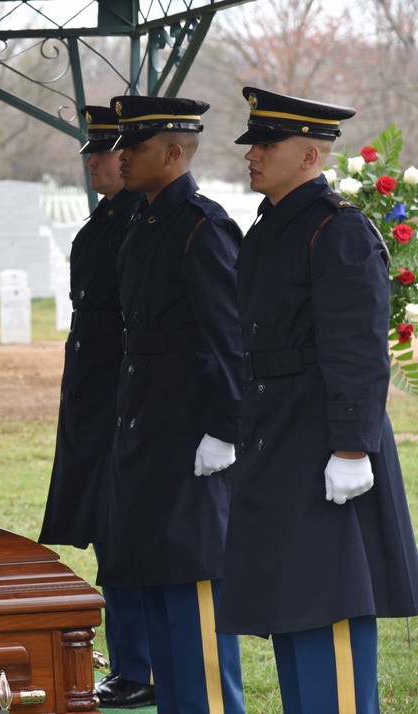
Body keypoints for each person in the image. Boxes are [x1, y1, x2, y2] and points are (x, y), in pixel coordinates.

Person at [221, 86, 418, 713]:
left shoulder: (338, 230)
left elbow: (358, 348)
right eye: (253, 142)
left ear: (309, 155)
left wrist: (351, 447)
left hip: (322, 436)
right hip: (277, 429)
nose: (252, 153)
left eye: (266, 143)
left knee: (325, 597)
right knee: (290, 598)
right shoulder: (274, 226)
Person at [98, 95, 247, 714]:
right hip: (145, 430)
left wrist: (224, 429)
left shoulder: (202, 227)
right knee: (156, 585)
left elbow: (231, 337)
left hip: (191, 437)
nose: (122, 154)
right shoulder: (143, 223)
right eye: (122, 144)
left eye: (135, 145)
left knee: (194, 593)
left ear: (174, 152)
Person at [38, 104, 154, 709]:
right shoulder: (108, 220)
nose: (91, 159)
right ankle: (134, 659)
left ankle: (141, 665)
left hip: (124, 402)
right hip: (97, 399)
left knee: (126, 536)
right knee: (113, 536)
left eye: (102, 149)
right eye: (92, 149)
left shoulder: (142, 222)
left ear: (130, 156)